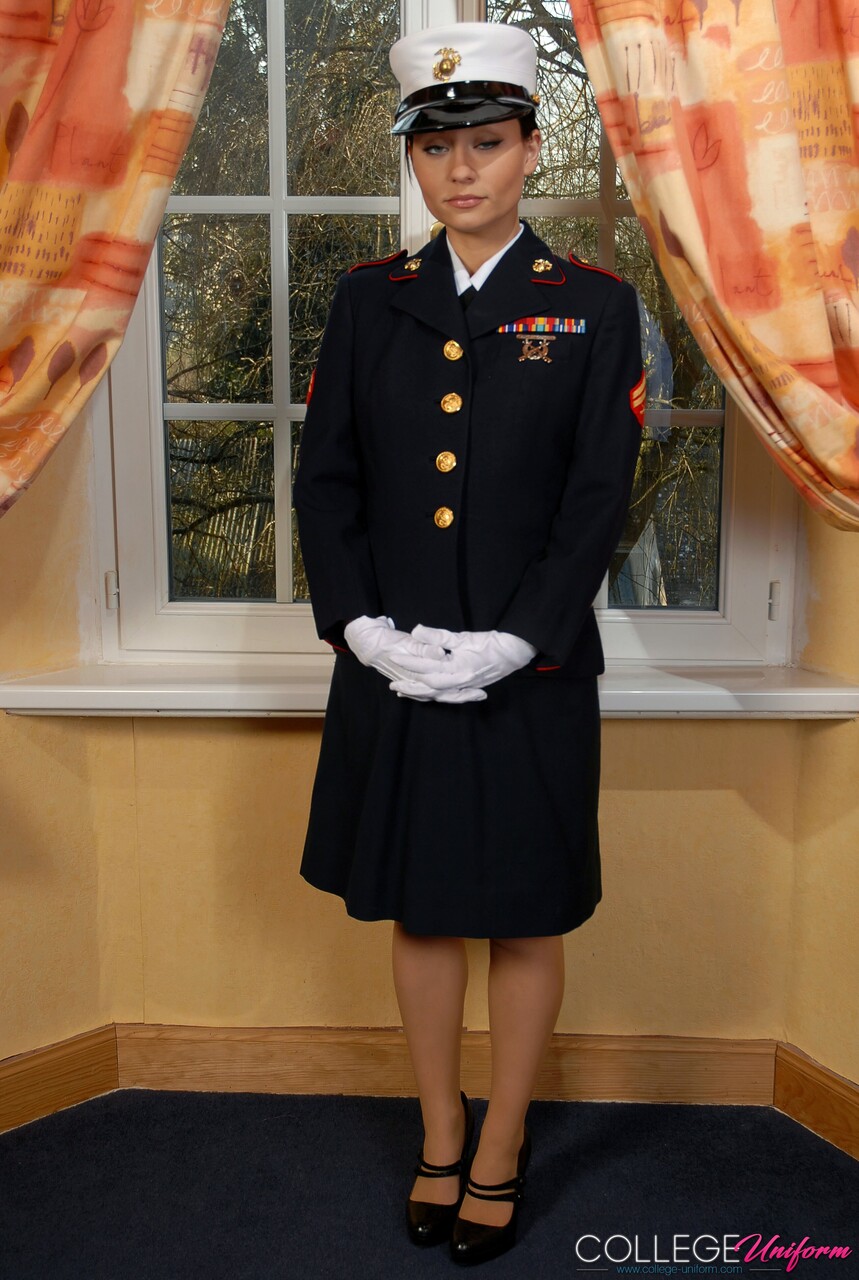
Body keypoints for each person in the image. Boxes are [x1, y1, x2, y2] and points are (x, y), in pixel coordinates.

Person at [294, 20, 644, 1267]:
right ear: (415, 158)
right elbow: (327, 480)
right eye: (437, 147)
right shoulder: (367, 300)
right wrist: (360, 625)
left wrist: (516, 639)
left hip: (528, 676)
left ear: (531, 149)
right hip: (396, 669)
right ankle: (439, 1129)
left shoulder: (592, 307)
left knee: (527, 916)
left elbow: (595, 500)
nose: (460, 170)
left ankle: (502, 1139)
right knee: (425, 909)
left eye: (486, 143)